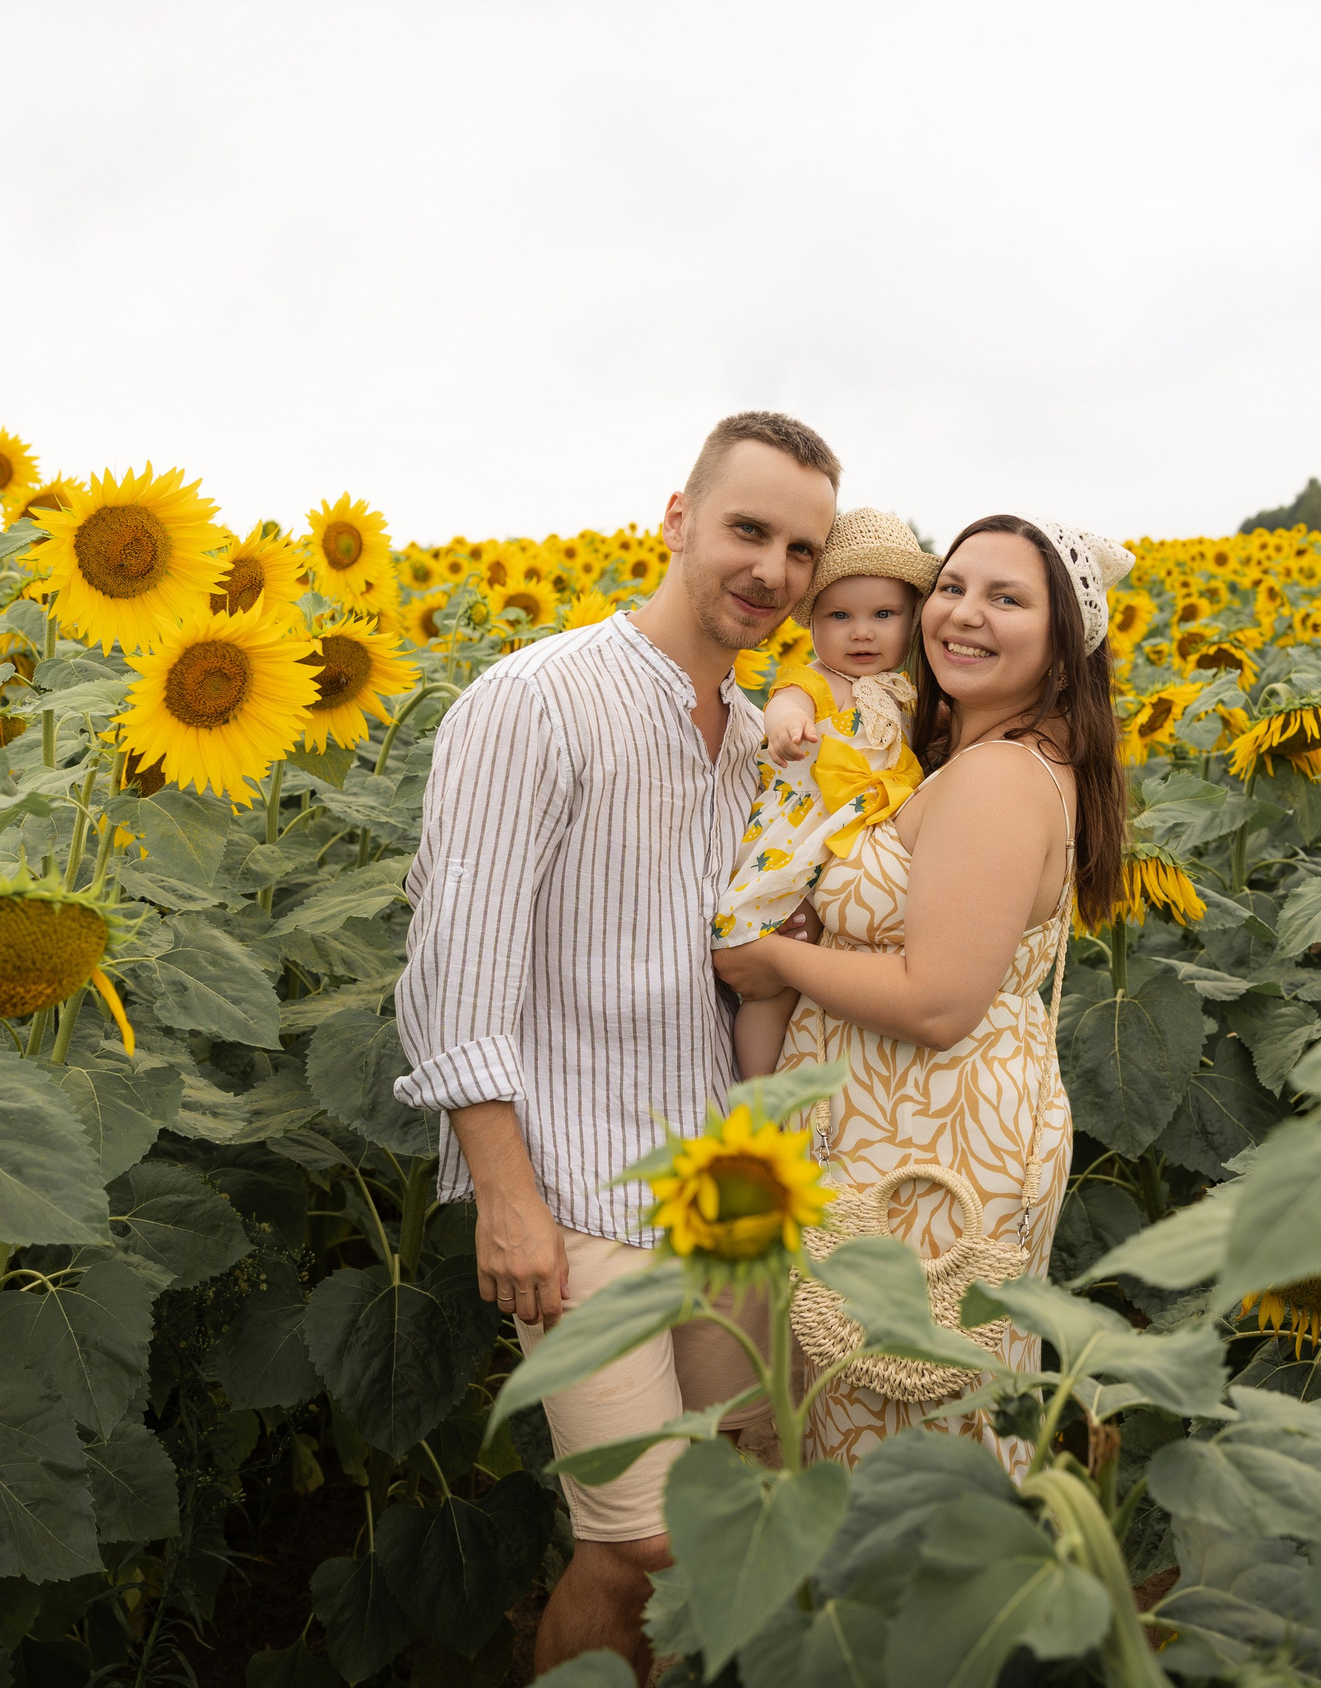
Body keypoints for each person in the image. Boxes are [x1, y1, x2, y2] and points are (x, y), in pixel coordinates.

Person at [393, 411, 839, 1679]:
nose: (773, 571)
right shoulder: (535, 699)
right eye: (749, 529)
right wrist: (506, 1196)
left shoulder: (756, 737)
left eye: (801, 549)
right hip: (577, 1183)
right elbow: (451, 966)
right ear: (677, 520)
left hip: (720, 1184)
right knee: (635, 1542)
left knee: (729, 1508)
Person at [710, 514, 1129, 1471]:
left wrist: (778, 964)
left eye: (1007, 598)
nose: (964, 615)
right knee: (887, 1428)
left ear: (1065, 643)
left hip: (925, 1159)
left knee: (898, 1452)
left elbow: (938, 1001)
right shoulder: (968, 758)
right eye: (952, 587)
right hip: (908, 1138)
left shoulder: (995, 782)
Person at [712, 507, 937, 1079]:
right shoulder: (820, 681)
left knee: (841, 971)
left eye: (883, 614)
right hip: (808, 836)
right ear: (812, 626)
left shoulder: (905, 693)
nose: (862, 631)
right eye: (840, 615)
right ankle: (757, 1092)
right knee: (776, 983)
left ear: (913, 623)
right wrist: (786, 728)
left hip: (865, 842)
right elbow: (787, 702)